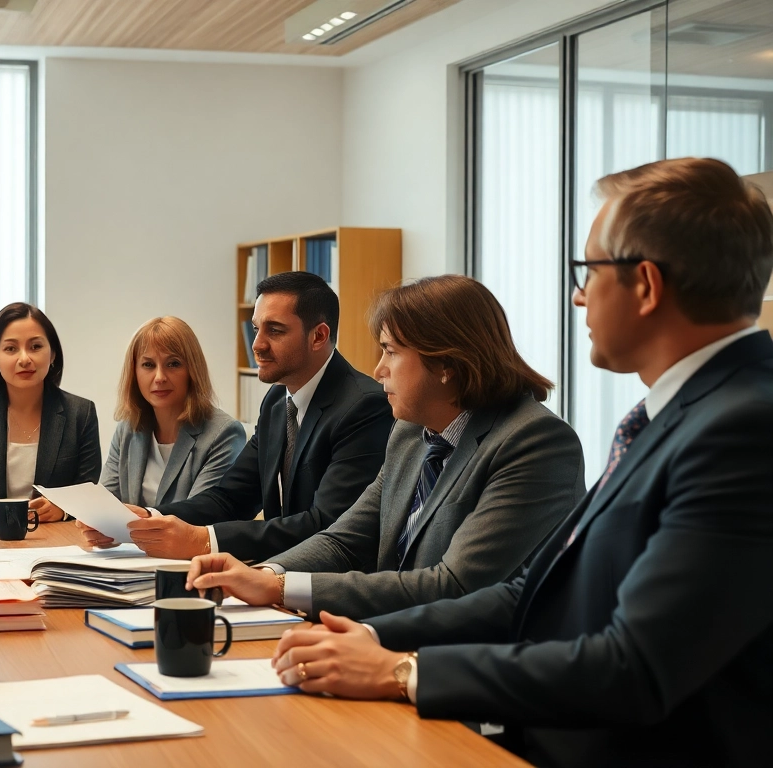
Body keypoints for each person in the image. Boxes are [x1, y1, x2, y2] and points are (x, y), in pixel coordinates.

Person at [263, 158, 773, 767]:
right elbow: (532, 590)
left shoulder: (742, 429)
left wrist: (403, 672)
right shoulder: (676, 412)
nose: (579, 295)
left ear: (646, 284)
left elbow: (633, 666)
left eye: (589, 270)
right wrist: (373, 636)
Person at [186, 275, 585, 619]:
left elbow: (453, 586)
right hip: (391, 641)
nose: (378, 370)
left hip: (472, 677)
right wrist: (267, 576)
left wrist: (282, 590)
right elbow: (343, 540)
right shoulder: (411, 433)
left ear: (446, 364)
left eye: (391, 351)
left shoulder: (534, 443)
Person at [82, 272, 392, 561]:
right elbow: (230, 499)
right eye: (257, 329)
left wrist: (205, 540)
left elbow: (326, 524)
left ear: (318, 336)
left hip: (328, 589)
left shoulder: (364, 407)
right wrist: (148, 518)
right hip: (277, 574)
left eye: (275, 330)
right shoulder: (276, 400)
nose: (256, 345)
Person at [0, 302, 101, 523]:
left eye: (35, 346)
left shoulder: (80, 413)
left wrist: (62, 510)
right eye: (11, 348)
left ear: (52, 354)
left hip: (55, 541)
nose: (25, 359)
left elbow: (89, 492)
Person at [100, 316, 246, 507]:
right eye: (148, 365)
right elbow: (104, 503)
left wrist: (133, 519)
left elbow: (198, 514)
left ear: (192, 370)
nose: (159, 377)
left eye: (173, 364)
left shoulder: (224, 434)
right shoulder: (128, 428)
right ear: (134, 373)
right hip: (128, 537)